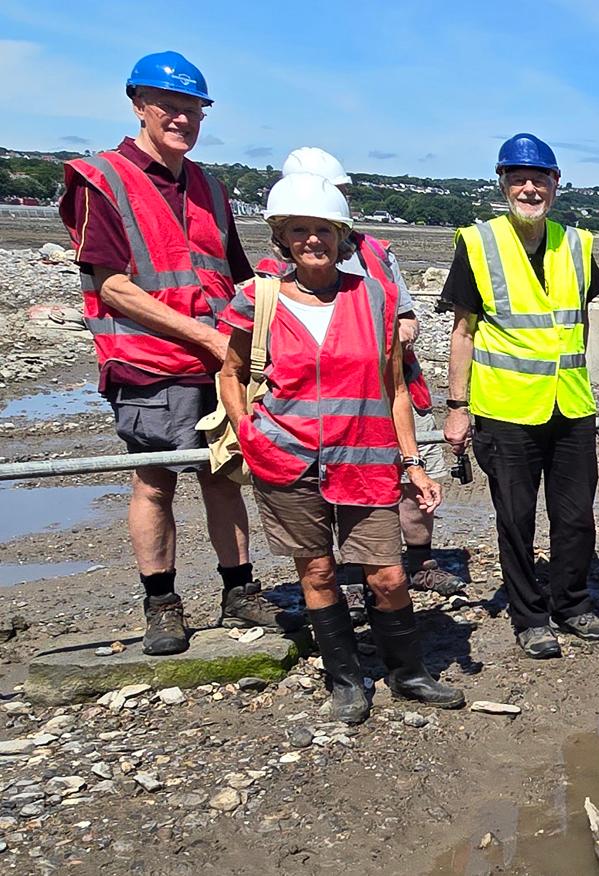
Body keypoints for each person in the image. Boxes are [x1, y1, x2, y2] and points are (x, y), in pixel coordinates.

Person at [59, 51, 298, 656]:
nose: (184, 120)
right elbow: (112, 285)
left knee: (223, 476)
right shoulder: (102, 178)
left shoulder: (211, 188)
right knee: (155, 480)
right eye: (172, 107)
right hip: (148, 361)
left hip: (219, 361)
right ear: (139, 105)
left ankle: (238, 590)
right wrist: (210, 338)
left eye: (194, 109)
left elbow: (239, 278)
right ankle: (161, 602)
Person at [218, 174, 464, 722]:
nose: (312, 240)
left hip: (367, 460)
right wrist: (249, 433)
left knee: (389, 574)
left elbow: (395, 389)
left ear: (342, 234)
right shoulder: (256, 300)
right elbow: (231, 372)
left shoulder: (377, 297)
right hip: (286, 460)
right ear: (281, 236)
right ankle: (346, 680)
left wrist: (413, 463)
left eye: (323, 229)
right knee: (319, 572)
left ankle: (408, 672)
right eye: (299, 230)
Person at [439, 133, 599, 659]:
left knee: (576, 516)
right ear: (503, 183)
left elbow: (576, 321)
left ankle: (573, 603)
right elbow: (463, 330)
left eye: (539, 179)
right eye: (518, 179)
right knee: (515, 519)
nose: (529, 188)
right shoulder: (478, 243)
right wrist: (456, 406)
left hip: (571, 406)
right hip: (506, 409)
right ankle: (530, 616)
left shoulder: (578, 245)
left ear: (556, 186)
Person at [269, 148, 460, 604]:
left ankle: (420, 561)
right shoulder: (275, 276)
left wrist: (387, 331)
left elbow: (408, 318)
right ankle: (350, 576)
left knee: (415, 477)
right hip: (323, 412)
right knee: (328, 495)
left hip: (394, 391)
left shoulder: (377, 252)